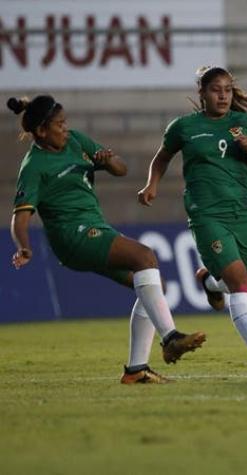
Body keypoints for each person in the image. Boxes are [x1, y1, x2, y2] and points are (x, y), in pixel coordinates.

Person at [8, 95, 205, 384]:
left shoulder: (75, 140)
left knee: (153, 286)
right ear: (41, 131)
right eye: (59, 124)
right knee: (144, 256)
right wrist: (24, 247)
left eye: (65, 123)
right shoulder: (34, 166)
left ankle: (136, 370)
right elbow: (20, 217)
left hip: (96, 227)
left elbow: (121, 169)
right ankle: (171, 338)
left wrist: (107, 161)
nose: (65, 128)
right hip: (72, 236)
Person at [137, 66, 247, 369]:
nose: (223, 95)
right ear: (202, 93)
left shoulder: (246, 124)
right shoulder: (184, 127)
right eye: (216, 89)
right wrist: (151, 183)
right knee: (241, 285)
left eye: (228, 90)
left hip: (244, 214)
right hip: (207, 216)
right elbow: (162, 157)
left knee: (242, 286)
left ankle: (209, 281)